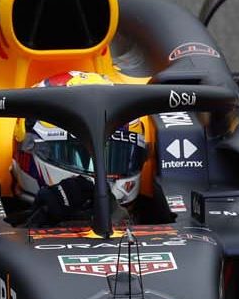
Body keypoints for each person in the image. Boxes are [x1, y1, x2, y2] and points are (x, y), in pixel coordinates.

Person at [8, 71, 152, 225]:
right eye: (74, 156)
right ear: (28, 149)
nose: (99, 178)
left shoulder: (154, 213)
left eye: (115, 158)